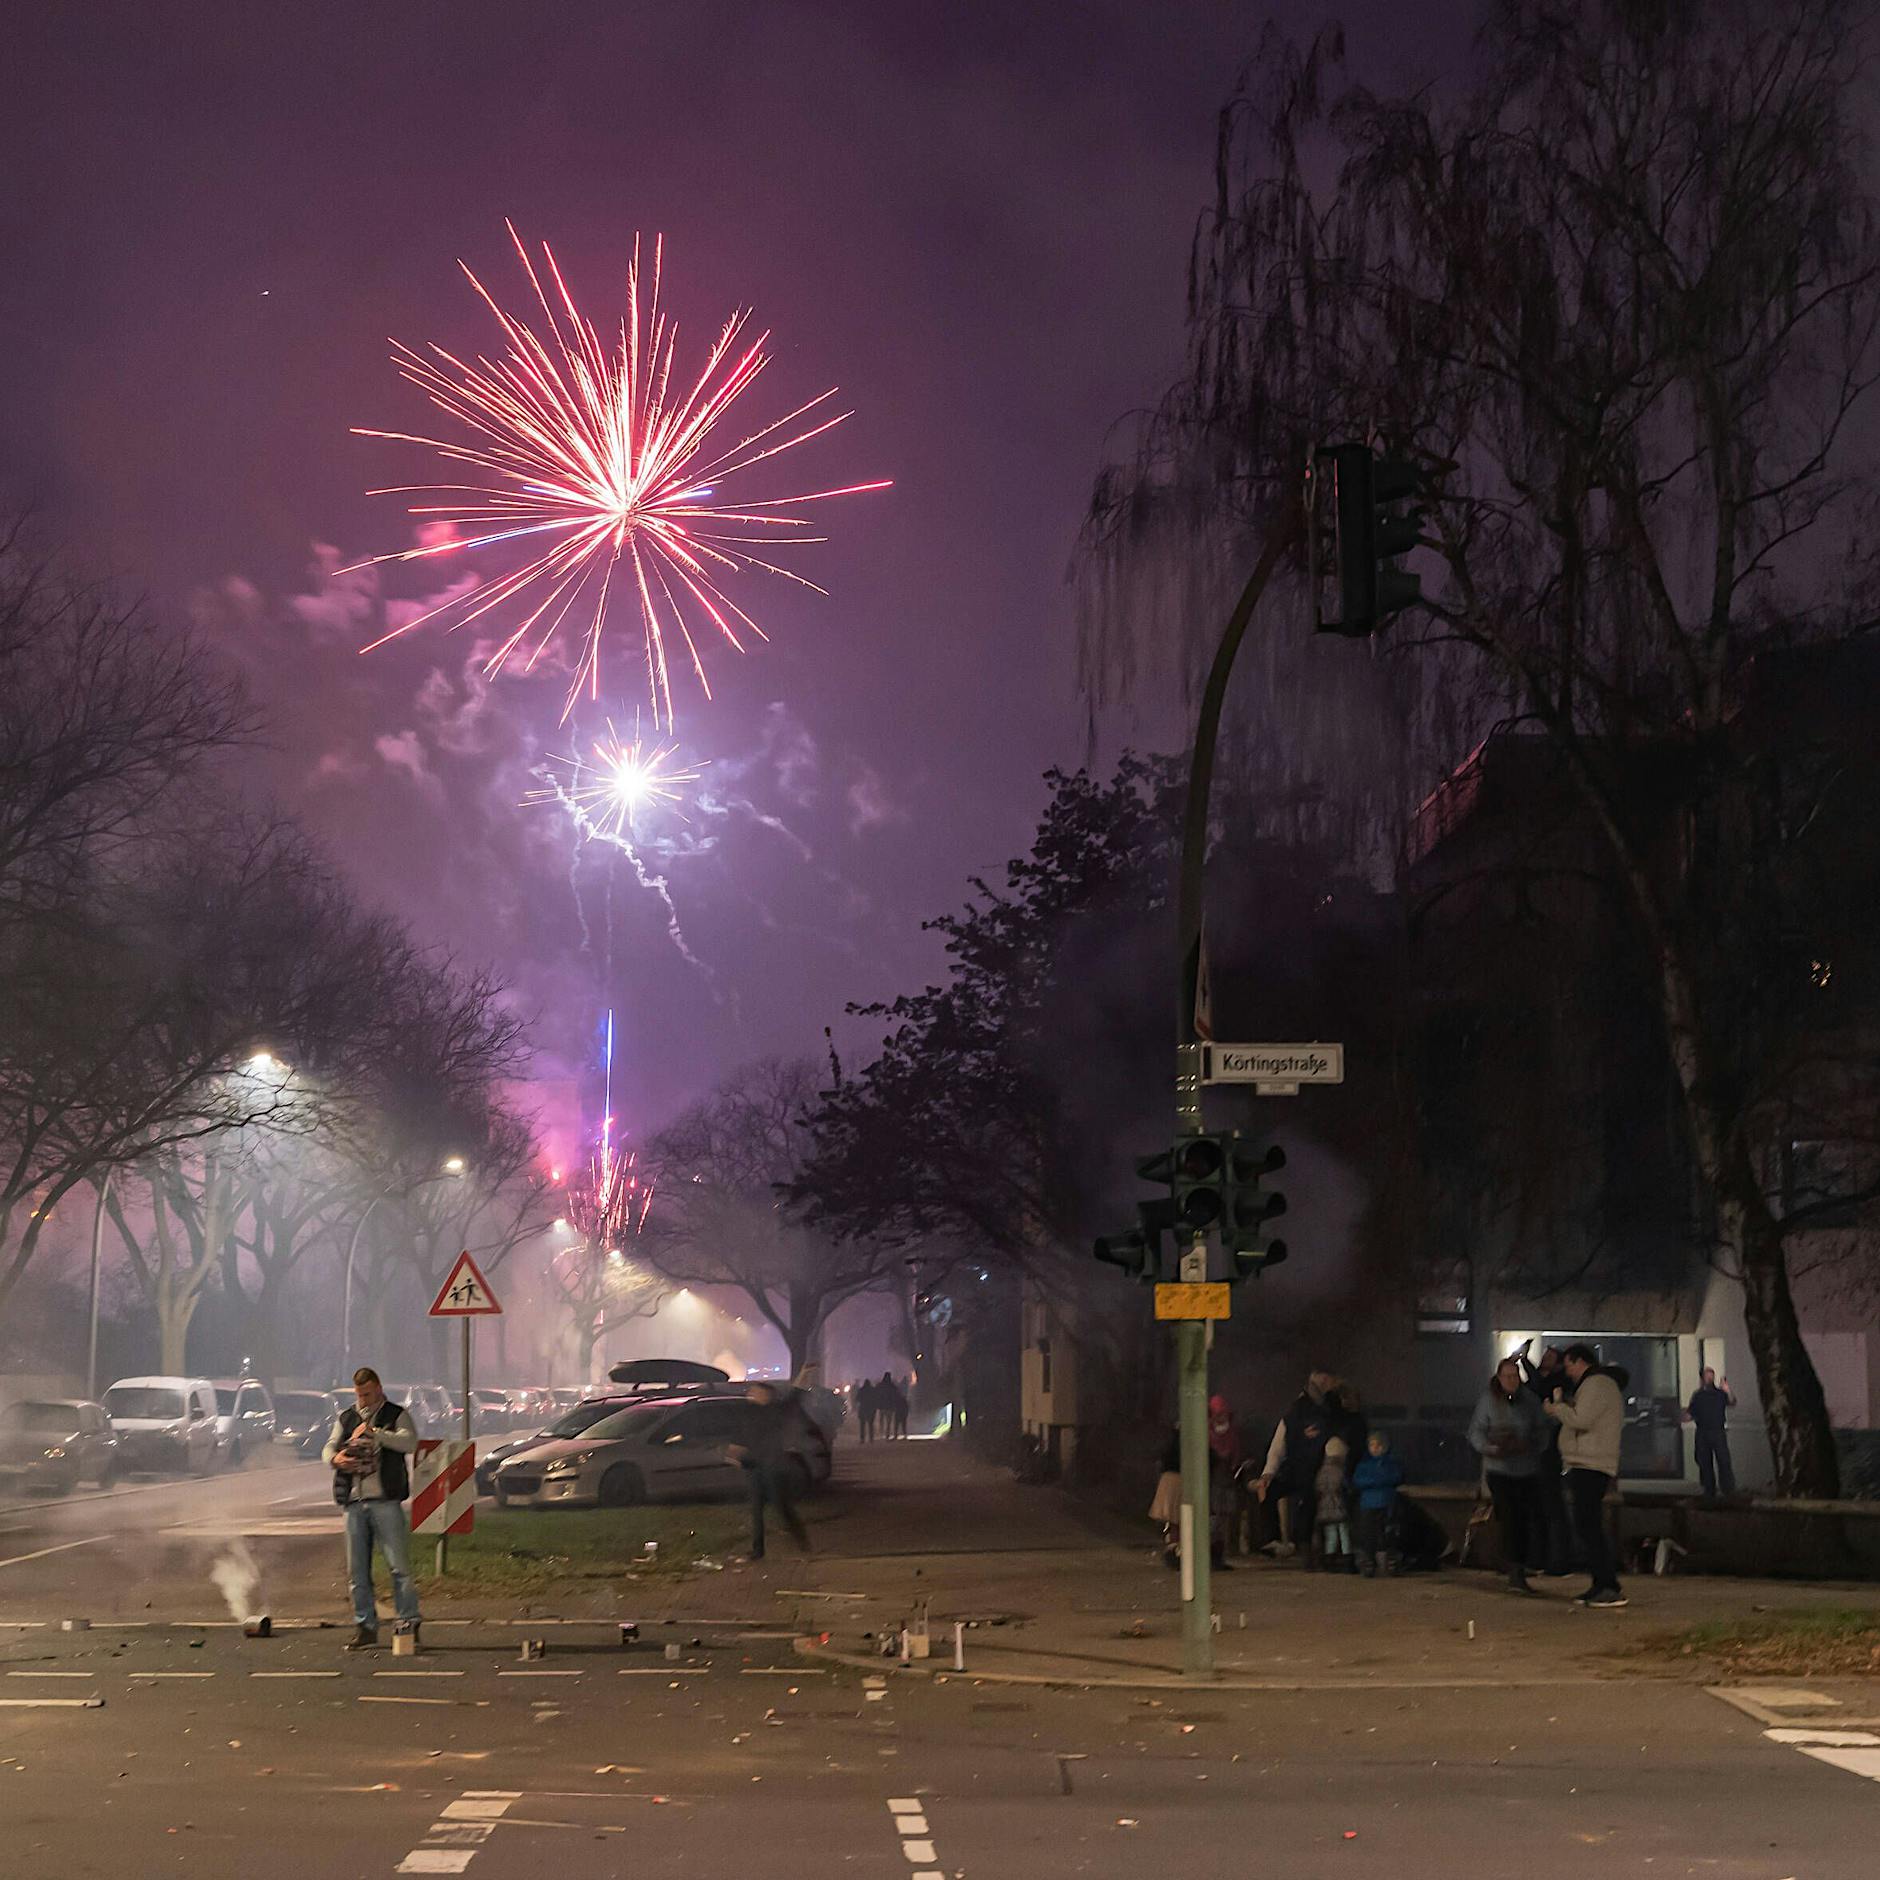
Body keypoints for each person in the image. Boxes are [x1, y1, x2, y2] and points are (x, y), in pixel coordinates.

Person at [321, 1367, 421, 1650]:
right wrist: (336, 1458)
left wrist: (377, 1434)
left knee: (399, 1567)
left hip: (385, 1502)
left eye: (366, 1393)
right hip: (354, 1503)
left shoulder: (395, 1414)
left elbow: (410, 1442)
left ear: (378, 1388)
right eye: (358, 1394)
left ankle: (408, 1623)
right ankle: (365, 1625)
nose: (362, 1400)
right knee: (357, 1572)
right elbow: (328, 1447)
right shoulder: (347, 1417)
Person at [1544, 1343, 1627, 1608]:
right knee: (1587, 1524)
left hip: (1591, 1464)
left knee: (1587, 1524)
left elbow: (1581, 1419)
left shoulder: (1596, 1384)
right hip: (1589, 1463)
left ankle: (1607, 1585)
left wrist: (1557, 1408)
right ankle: (1601, 1583)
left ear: (1579, 1361)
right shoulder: (1600, 1385)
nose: (1567, 1372)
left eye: (1568, 1365)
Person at [1469, 1357, 1550, 1595]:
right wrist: (1492, 1448)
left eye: (1515, 1376)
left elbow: (1543, 1428)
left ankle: (1520, 1564)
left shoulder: (1530, 1401)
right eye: (1507, 1377)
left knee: (1524, 1519)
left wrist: (1532, 1445)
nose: (1511, 1381)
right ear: (1499, 1378)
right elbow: (1475, 1432)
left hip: (1526, 1469)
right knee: (1509, 1517)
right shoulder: (1488, 1401)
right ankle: (1514, 1568)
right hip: (1499, 1470)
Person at [1254, 1368, 1341, 1556]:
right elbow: (1280, 1444)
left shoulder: (1329, 1410)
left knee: (1306, 1500)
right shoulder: (1299, 1411)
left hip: (1316, 1470)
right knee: (1269, 1490)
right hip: (1298, 1468)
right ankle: (1275, 1539)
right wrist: (1268, 1473)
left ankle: (1300, 1543)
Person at [731, 1383, 810, 1561]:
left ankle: (801, 1540)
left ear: (767, 1395)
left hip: (773, 1468)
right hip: (754, 1468)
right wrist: (735, 1452)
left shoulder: (776, 1411)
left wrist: (805, 1374)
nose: (751, 1394)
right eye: (751, 1391)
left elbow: (794, 1396)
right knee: (756, 1511)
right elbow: (741, 1436)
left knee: (781, 1507)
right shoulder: (748, 1413)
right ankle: (758, 1551)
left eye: (756, 1392)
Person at [1518, 1343, 1573, 1574]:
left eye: (1550, 1357)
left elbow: (1541, 1387)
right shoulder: (1540, 1381)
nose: (1544, 1359)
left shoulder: (1559, 1381)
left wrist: (1524, 1361)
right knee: (1536, 1506)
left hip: (1549, 1449)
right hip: (1533, 1448)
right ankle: (1537, 1558)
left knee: (1551, 1505)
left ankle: (1557, 1560)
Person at [1351, 1430, 1405, 1576]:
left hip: (1385, 1503)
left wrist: (1374, 1482)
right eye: (1372, 1445)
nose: (1375, 1448)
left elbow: (1395, 1477)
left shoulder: (1390, 1464)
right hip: (1369, 1505)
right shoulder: (1364, 1465)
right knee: (1369, 1535)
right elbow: (1357, 1480)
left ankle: (1390, 1563)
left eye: (1378, 1445)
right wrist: (1378, 1481)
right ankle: (1369, 1564)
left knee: (1388, 1534)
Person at [1683, 1367, 1737, 1497]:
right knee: (1704, 1461)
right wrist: (1684, 1417)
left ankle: (1727, 1489)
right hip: (1702, 1432)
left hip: (1718, 1431)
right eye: (1708, 1376)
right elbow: (1691, 1413)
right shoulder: (1698, 1395)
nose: (1710, 1379)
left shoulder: (1720, 1394)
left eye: (1711, 1376)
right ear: (1702, 1378)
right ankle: (1709, 1489)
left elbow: (1732, 1402)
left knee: (1723, 1460)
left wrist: (1727, 1390)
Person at [1207, 1395, 1241, 1569]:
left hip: (1226, 1480)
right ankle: (1210, 1556)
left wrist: (1235, 1465)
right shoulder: (1206, 1433)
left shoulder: (1231, 1434)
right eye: (1219, 1414)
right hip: (1212, 1481)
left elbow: (1235, 1453)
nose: (1222, 1418)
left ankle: (1219, 1556)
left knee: (1222, 1520)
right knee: (1213, 1519)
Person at [1314, 1436, 1353, 1570]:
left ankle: (1329, 1561)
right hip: (1340, 1506)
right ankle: (1347, 1560)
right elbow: (1346, 1487)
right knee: (1344, 1534)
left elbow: (1318, 1488)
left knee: (1331, 1535)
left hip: (1325, 1507)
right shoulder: (1341, 1470)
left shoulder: (1322, 1470)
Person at [855, 1377, 878, 1443]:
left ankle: (862, 1439)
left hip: (863, 1408)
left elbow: (857, 1399)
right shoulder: (873, 1390)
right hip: (871, 1409)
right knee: (870, 1424)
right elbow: (876, 1398)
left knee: (862, 1425)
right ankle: (871, 1438)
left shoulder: (861, 1390)